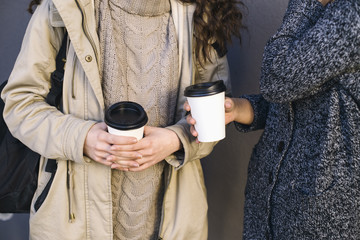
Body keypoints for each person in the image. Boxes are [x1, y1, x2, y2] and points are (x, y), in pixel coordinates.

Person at [1, 0, 244, 239]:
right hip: (74, 223)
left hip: (173, 224)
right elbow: (20, 103)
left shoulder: (202, 13)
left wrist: (176, 139)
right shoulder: (63, 7)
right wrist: (81, 138)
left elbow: (217, 112)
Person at [186, 0, 360, 239]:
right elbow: (308, 95)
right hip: (272, 209)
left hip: (319, 221)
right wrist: (241, 108)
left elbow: (277, 76)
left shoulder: (352, 14)